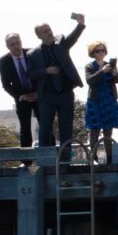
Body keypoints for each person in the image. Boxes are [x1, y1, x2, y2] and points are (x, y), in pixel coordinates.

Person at [26, 12, 86, 151]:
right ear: (39, 36)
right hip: (47, 96)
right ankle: (44, 162)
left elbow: (73, 37)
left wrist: (80, 24)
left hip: (65, 93)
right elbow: (30, 74)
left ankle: (65, 163)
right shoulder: (33, 53)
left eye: (49, 29)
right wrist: (46, 71)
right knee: (45, 128)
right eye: (44, 31)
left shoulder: (61, 44)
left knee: (66, 129)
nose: (48, 33)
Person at [83, 42, 118, 163]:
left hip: (108, 100)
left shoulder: (109, 65)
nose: (101, 53)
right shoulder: (90, 66)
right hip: (96, 101)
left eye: (102, 50)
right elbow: (89, 81)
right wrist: (102, 71)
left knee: (108, 132)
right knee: (95, 130)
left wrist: (115, 73)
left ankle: (110, 158)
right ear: (93, 53)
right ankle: (93, 158)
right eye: (98, 51)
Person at [0, 33, 39, 147]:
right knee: (25, 129)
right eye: (12, 45)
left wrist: (39, 93)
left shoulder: (32, 53)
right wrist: (20, 96)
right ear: (7, 46)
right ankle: (26, 161)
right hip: (21, 98)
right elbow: (6, 84)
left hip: (38, 95)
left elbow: (42, 75)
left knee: (45, 125)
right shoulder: (3, 61)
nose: (16, 46)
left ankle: (51, 159)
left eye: (18, 43)